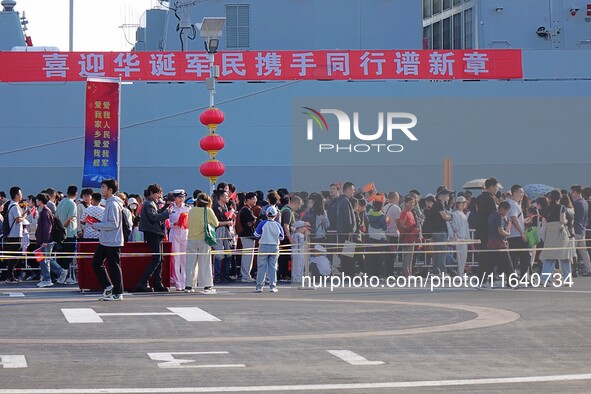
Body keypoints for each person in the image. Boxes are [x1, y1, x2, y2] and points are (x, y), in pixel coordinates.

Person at [89, 179, 125, 301]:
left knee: (113, 266)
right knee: (97, 262)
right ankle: (109, 287)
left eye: (103, 187)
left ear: (110, 190)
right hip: (106, 240)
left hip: (112, 240)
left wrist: (97, 225)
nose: (101, 190)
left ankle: (118, 293)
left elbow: (113, 224)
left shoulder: (113, 204)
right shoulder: (110, 203)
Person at [136, 184, 172, 292]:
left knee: (160, 259)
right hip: (153, 233)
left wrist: (165, 208)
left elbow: (156, 213)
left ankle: (157, 283)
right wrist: (167, 213)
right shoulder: (148, 204)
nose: (159, 196)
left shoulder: (151, 203)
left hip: (155, 233)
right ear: (151, 193)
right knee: (157, 258)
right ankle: (143, 282)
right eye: (157, 193)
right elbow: (154, 217)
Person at [185, 193, 219, 294]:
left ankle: (189, 285)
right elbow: (216, 223)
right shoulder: (208, 210)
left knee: (190, 264)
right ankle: (207, 285)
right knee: (205, 263)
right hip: (204, 239)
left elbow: (187, 223)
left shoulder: (191, 210)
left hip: (191, 239)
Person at [34, 192, 69, 287]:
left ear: (40, 201)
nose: (36, 201)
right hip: (46, 240)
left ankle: (47, 279)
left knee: (44, 259)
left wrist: (45, 240)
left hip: (46, 241)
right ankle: (60, 271)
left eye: (37, 199)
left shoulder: (45, 212)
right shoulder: (44, 211)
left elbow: (47, 228)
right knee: (45, 258)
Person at [540, 190, 571, 286]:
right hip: (560, 233)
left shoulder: (546, 209)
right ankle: (567, 280)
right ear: (559, 198)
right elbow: (562, 220)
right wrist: (566, 221)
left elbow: (544, 221)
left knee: (549, 257)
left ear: (550, 198)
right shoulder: (561, 207)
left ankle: (545, 279)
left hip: (549, 233)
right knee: (565, 257)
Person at [483, 201, 515, 288]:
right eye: (506, 211)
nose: (506, 213)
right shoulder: (498, 216)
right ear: (501, 209)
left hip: (491, 243)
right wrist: (508, 234)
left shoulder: (491, 215)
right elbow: (500, 231)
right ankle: (513, 281)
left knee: (489, 264)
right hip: (500, 243)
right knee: (508, 264)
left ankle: (482, 281)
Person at [254, 205, 285, 293]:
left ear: (266, 214)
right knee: (273, 267)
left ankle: (259, 286)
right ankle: (272, 286)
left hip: (263, 245)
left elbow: (256, 235)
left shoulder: (262, 223)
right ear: (276, 215)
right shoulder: (278, 225)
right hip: (274, 246)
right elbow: (282, 237)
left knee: (261, 267)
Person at [3, 186, 29, 283]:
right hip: (15, 235)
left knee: (13, 257)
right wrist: (26, 214)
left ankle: (10, 276)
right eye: (20, 193)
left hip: (13, 235)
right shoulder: (14, 206)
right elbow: (18, 220)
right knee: (14, 257)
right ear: (16, 195)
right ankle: (10, 277)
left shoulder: (12, 205)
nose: (21, 195)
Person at [506, 185, 531, 280]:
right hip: (517, 235)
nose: (522, 194)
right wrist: (522, 233)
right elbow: (513, 219)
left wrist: (523, 221)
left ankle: (512, 278)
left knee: (514, 258)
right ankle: (522, 277)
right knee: (525, 257)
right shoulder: (513, 204)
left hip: (513, 235)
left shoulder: (513, 203)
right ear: (515, 193)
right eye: (521, 192)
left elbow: (515, 219)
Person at [168, 189, 190, 291]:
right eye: (179, 197)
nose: (181, 199)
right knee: (175, 258)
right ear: (175, 198)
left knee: (184, 259)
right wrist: (174, 224)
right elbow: (168, 222)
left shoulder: (187, 208)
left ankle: (185, 281)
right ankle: (178, 283)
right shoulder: (171, 208)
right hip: (174, 233)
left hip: (184, 233)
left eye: (183, 197)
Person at [336, 182, 357, 276]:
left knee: (346, 254)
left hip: (343, 232)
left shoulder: (342, 200)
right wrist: (350, 230)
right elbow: (347, 217)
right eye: (353, 189)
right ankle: (348, 274)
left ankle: (346, 274)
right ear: (348, 189)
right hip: (347, 233)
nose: (354, 192)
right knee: (348, 255)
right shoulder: (345, 201)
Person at [56, 185, 78, 273]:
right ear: (76, 194)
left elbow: (56, 217)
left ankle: (61, 274)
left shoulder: (61, 202)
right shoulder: (72, 204)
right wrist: (63, 227)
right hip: (69, 233)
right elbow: (69, 219)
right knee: (68, 256)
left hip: (61, 235)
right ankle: (65, 275)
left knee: (61, 256)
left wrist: (60, 229)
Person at [430, 188, 452, 275]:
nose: (448, 197)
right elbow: (445, 217)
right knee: (442, 252)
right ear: (441, 196)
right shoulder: (439, 204)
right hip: (440, 232)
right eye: (446, 195)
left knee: (437, 253)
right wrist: (451, 217)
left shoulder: (438, 204)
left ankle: (436, 270)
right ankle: (443, 271)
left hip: (436, 231)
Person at [570, 185, 591, 275]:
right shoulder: (585, 203)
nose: (571, 194)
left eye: (572, 192)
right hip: (582, 229)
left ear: (576, 192)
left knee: (573, 251)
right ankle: (588, 268)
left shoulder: (576, 204)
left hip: (575, 230)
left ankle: (573, 269)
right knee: (583, 251)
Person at [237, 192, 258, 282]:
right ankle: (245, 276)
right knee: (248, 257)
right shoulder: (246, 210)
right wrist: (253, 221)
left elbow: (253, 221)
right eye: (253, 199)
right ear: (248, 200)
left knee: (248, 256)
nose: (255, 200)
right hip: (247, 236)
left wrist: (253, 222)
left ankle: (246, 275)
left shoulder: (245, 209)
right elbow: (255, 220)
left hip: (245, 236)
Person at [399, 195, 420, 277]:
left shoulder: (411, 212)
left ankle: (409, 273)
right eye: (410, 202)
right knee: (407, 257)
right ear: (406, 203)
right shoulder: (404, 213)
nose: (412, 204)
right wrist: (410, 228)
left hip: (412, 237)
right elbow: (401, 225)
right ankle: (406, 274)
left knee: (410, 257)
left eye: (413, 203)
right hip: (407, 237)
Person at [450, 196, 470, 276]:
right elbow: (455, 226)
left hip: (464, 238)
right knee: (460, 256)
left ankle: (461, 272)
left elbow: (466, 227)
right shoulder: (455, 214)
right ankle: (460, 273)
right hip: (460, 238)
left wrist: (468, 238)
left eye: (465, 203)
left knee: (463, 256)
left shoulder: (463, 214)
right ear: (458, 204)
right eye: (462, 203)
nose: (464, 204)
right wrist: (459, 234)